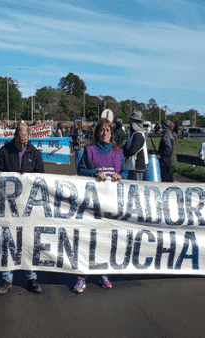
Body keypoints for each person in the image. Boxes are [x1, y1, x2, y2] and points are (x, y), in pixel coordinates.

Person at [0, 122, 45, 295]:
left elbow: (41, 175)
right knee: (8, 241)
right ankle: (7, 278)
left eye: (25, 142)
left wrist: (30, 177)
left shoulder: (34, 152)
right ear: (15, 136)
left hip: (29, 208)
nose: (23, 145)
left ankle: (31, 277)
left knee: (29, 241)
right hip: (9, 206)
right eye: (20, 142)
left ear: (28, 137)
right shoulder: (4, 151)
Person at [74, 118, 124, 293]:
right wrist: (95, 173)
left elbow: (124, 171)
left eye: (108, 130)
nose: (105, 133)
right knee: (88, 239)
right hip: (91, 202)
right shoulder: (90, 150)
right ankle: (82, 276)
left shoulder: (118, 152)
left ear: (112, 134)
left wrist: (119, 176)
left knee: (106, 239)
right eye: (102, 130)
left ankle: (103, 273)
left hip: (110, 202)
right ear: (97, 133)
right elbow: (80, 170)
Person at [123, 111, 148, 181]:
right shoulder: (133, 133)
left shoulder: (139, 134)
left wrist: (123, 153)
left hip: (137, 167)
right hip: (132, 166)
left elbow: (133, 150)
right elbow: (127, 144)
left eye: (131, 121)